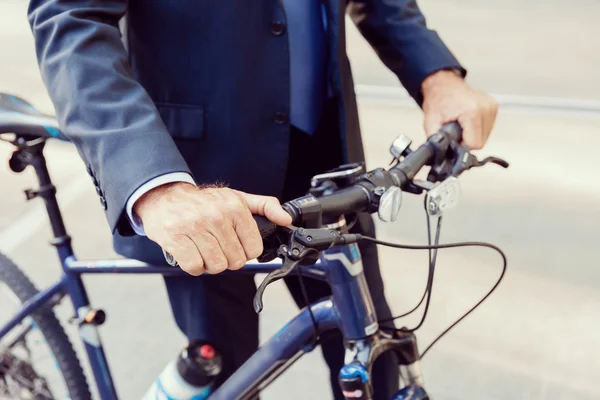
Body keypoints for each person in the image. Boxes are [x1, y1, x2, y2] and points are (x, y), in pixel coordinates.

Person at [27, 1, 498, 398]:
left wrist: (435, 72)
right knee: (227, 374)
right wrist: (155, 183)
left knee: (374, 358)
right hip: (203, 179)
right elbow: (70, 20)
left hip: (327, 156)